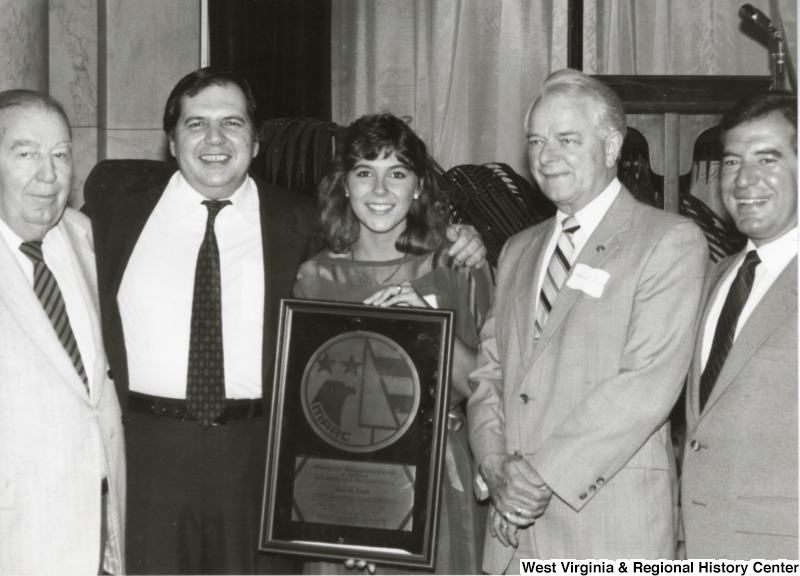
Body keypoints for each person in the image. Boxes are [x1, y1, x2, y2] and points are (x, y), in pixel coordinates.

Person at [84, 68, 487, 575]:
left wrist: (460, 239)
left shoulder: (301, 225)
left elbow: (380, 241)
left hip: (260, 457)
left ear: (255, 142)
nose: (214, 139)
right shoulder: (113, 207)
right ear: (171, 139)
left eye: (231, 123)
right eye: (196, 124)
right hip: (149, 454)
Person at [466, 68, 709, 571]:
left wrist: (534, 477)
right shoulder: (517, 251)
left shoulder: (668, 240)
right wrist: (494, 465)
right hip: (512, 534)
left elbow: (644, 386)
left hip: (609, 528)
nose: (546, 156)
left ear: (612, 144)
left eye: (566, 139)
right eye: (535, 140)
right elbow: (488, 375)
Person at [295, 113, 493, 575]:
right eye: (365, 173)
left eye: (397, 173)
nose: (380, 191)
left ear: (419, 187)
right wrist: (346, 510)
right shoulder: (315, 276)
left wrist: (430, 326)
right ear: (344, 185)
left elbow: (487, 386)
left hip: (440, 482)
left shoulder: (458, 266)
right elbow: (308, 415)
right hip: (342, 480)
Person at [0, 90, 125, 573]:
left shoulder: (86, 237)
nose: (48, 175)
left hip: (98, 527)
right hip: (16, 534)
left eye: (60, 154)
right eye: (26, 153)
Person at [681, 92, 798, 559]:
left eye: (767, 159)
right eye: (732, 161)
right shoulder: (714, 277)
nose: (745, 179)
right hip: (701, 544)